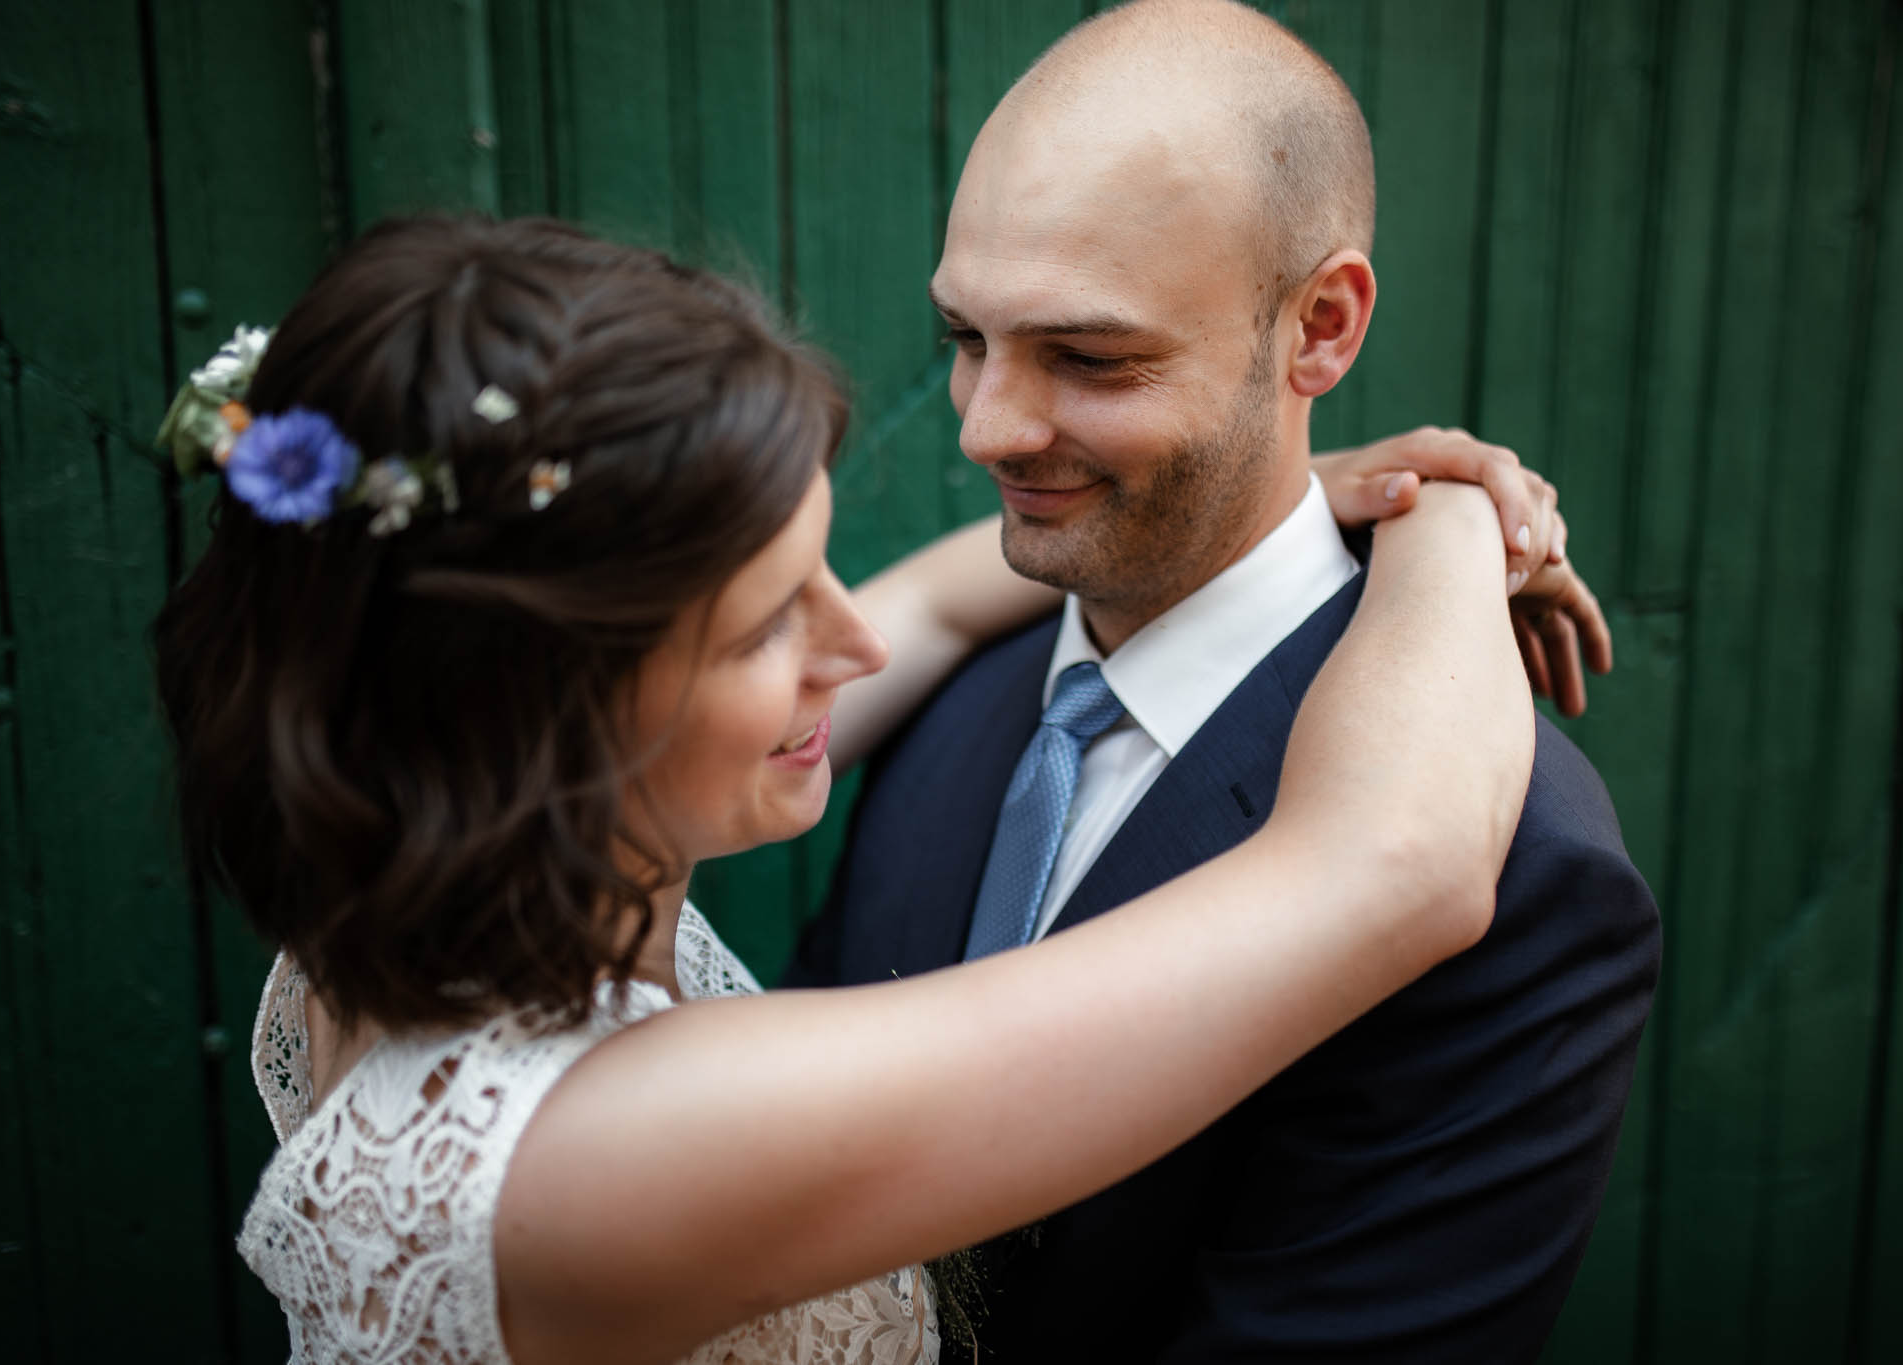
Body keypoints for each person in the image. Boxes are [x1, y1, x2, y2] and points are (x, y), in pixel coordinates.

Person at [153, 212, 1556, 1365]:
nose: (858, 639)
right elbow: (1396, 864)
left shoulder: (409, 892)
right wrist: (1457, 512)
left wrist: (1287, 505)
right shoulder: (613, 1156)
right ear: (534, 703)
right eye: (770, 622)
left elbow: (940, 609)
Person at [788, 2, 1663, 1361]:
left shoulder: (1529, 874)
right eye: (968, 336)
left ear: (1321, 326)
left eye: (1089, 356)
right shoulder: (949, 688)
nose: (985, 426)